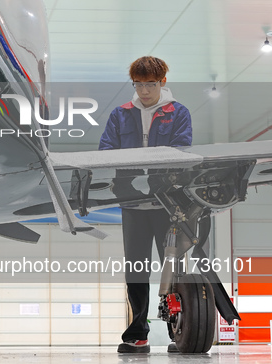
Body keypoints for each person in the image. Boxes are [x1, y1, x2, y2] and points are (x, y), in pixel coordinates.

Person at [98, 56, 192, 354]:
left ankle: (179, 332)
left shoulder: (178, 113)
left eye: (149, 84)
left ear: (162, 81)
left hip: (167, 202)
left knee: (173, 268)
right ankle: (138, 333)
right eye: (138, 84)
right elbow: (106, 150)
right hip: (133, 203)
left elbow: (180, 149)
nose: (143, 91)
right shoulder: (120, 114)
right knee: (136, 269)